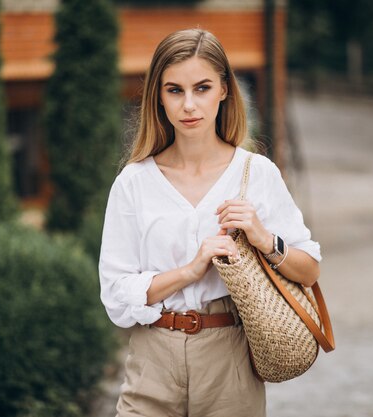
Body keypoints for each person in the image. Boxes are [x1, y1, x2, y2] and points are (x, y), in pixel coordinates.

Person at [99, 28, 321, 417]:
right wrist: (189, 270)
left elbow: (310, 270)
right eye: (174, 90)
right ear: (158, 97)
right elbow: (116, 295)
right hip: (152, 360)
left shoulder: (257, 174)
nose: (188, 105)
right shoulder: (133, 182)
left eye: (201, 88)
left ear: (224, 91)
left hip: (229, 361)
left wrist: (264, 239)